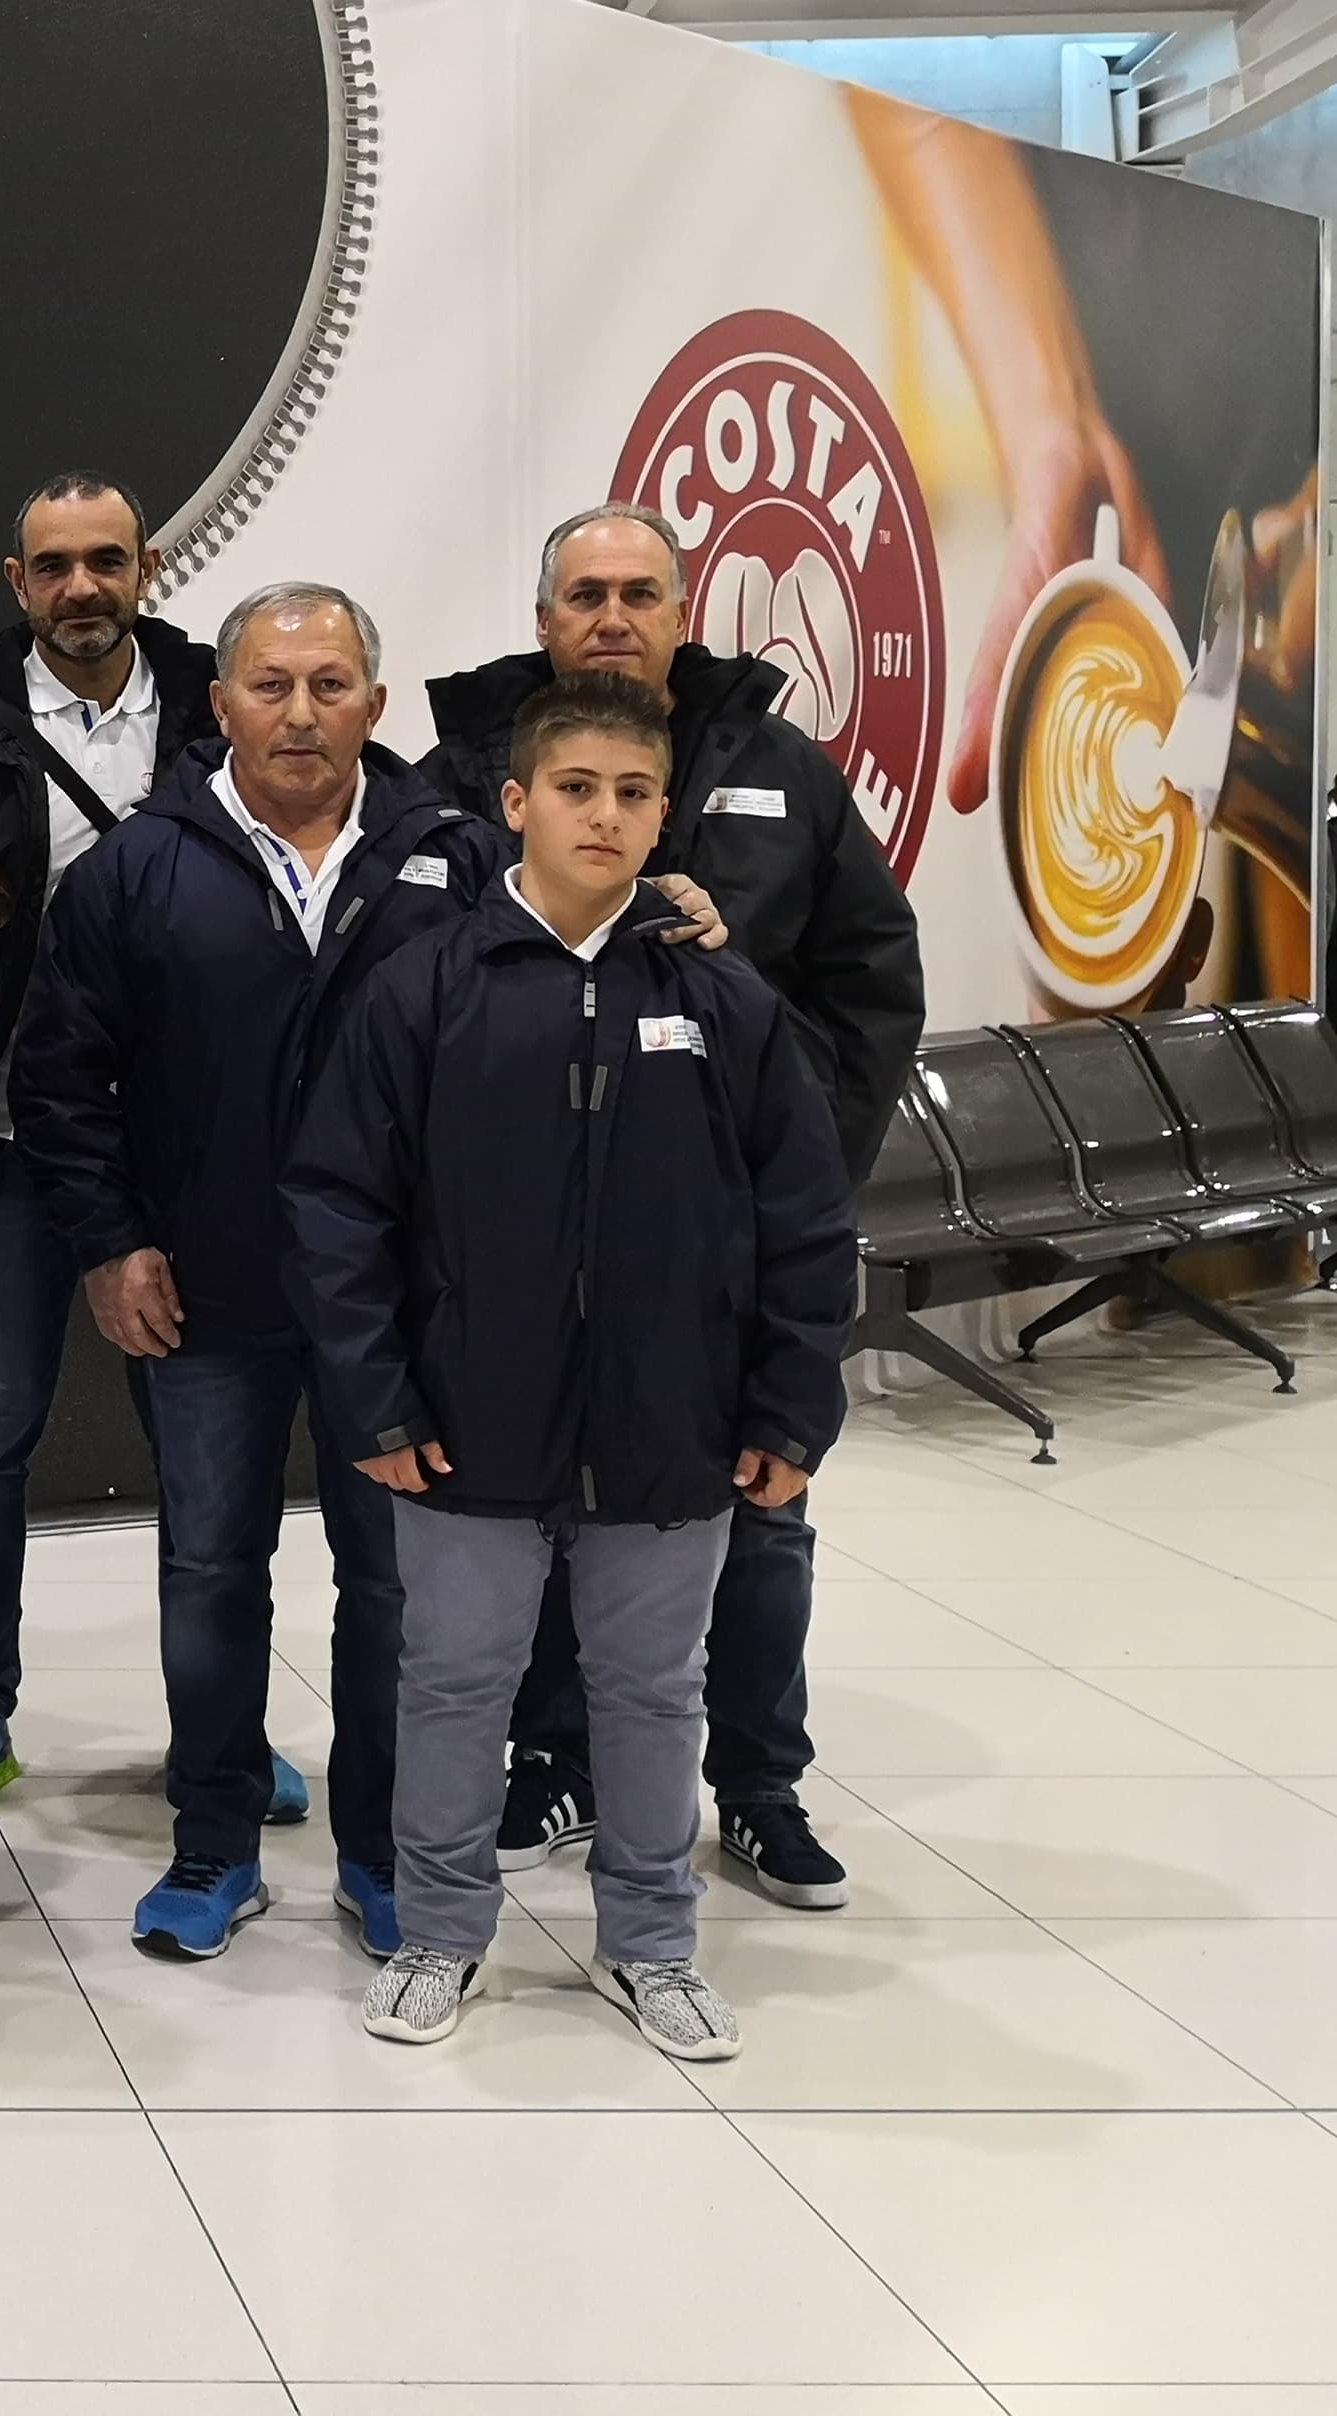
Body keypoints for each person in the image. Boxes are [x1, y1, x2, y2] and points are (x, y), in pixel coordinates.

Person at [288, 672, 858, 2060]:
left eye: (632, 793)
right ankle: (439, 1932)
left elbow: (803, 1218)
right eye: (575, 788)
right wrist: (375, 1396)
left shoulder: (720, 1000)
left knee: (653, 1692)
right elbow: (338, 1205)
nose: (603, 815)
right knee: (454, 1682)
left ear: (663, 817)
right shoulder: (426, 988)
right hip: (464, 1419)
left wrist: (791, 1403)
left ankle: (651, 1945)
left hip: (672, 1422)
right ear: (516, 804)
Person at [421, 503, 922, 1910]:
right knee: (555, 1509)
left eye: (639, 593)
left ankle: (757, 1785)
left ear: (682, 613)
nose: (611, 618)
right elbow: (427, 980)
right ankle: (559, 1758)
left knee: (759, 1506)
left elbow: (873, 980)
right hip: (531, 1236)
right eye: (584, 594)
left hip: (723, 1242)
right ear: (543, 620)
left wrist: (797, 1170)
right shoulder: (461, 774)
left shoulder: (779, 767)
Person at [15, 583, 508, 1969]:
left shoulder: (459, 859)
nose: (300, 713)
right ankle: (214, 1842)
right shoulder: (132, 871)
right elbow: (60, 1079)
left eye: (329, 685)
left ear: (374, 704)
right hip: (206, 1290)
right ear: (220, 703)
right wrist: (108, 1241)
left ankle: (381, 1850)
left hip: (397, 1307)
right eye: (271, 686)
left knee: (392, 1586)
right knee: (209, 1572)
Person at [0, 473, 216, 1820]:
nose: (81, 587)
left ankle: (214, 1728)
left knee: (200, 1456)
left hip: (185, 1150)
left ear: (147, 566)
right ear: (16, 582)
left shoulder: (221, 706)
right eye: (53, 565)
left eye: (106, 559)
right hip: (7, 1143)